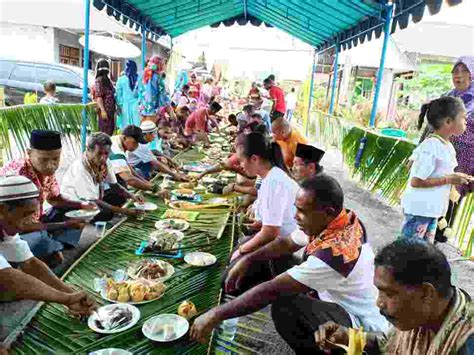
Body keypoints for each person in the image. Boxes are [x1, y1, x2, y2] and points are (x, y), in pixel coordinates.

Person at [190, 174, 388, 352]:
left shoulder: (335, 254)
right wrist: (248, 259)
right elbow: (286, 243)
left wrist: (216, 314)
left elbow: (272, 289)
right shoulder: (336, 219)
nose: (295, 216)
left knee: (286, 305)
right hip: (328, 296)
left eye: (301, 211)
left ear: (327, 212)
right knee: (264, 257)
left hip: (356, 321)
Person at [315, 238, 474, 354]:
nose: (379, 303)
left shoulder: (466, 342)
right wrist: (349, 337)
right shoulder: (422, 314)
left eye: (389, 293)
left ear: (426, 293)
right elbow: (387, 343)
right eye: (379, 292)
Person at [0, 175, 96, 315]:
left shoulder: (6, 224)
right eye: (25, 215)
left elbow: (30, 263)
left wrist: (70, 294)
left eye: (32, 214)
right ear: (2, 209)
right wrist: (66, 299)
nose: (29, 221)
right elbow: (7, 277)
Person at [0, 130, 95, 263]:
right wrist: (64, 224)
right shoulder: (17, 177)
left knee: (76, 213)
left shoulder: (45, 170)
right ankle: (48, 247)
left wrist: (81, 205)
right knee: (40, 241)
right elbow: (19, 226)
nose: (51, 165)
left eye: (56, 159)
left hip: (36, 220)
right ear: (29, 153)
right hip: (12, 231)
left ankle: (53, 245)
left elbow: (54, 199)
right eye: (44, 159)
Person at [401, 97, 471, 243]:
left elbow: (439, 173)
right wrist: (449, 179)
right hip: (420, 210)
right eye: (463, 117)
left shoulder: (446, 146)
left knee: (423, 252)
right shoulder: (431, 147)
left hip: (432, 211)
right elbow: (416, 181)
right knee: (409, 251)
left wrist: (455, 177)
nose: (466, 121)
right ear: (448, 122)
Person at [227, 133, 298, 271]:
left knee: (234, 261)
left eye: (241, 161)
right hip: (280, 240)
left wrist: (241, 250)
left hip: (286, 247)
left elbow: (270, 232)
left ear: (254, 159)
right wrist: (262, 223)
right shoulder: (270, 176)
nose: (240, 166)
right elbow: (275, 221)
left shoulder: (273, 181)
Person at [61, 132, 143, 222]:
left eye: (106, 153)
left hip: (93, 197)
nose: (103, 158)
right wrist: (125, 211)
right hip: (75, 204)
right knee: (105, 213)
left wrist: (132, 196)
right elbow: (94, 200)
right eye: (99, 153)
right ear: (88, 150)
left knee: (118, 197)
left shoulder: (105, 162)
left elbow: (114, 185)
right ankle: (83, 221)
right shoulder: (80, 168)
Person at [109, 125, 160, 193]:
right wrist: (155, 189)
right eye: (135, 143)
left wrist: (147, 183)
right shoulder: (117, 151)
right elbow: (129, 179)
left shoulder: (118, 140)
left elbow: (129, 168)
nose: (137, 146)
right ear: (125, 138)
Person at [138, 56, 168, 122]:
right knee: (151, 130)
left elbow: (137, 91)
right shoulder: (158, 77)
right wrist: (164, 105)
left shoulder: (142, 76)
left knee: (142, 130)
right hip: (153, 109)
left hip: (142, 109)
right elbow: (162, 94)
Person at [93, 58, 116, 136]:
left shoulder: (108, 80)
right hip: (105, 111)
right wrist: (103, 110)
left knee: (109, 132)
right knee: (104, 133)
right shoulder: (99, 80)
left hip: (110, 112)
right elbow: (99, 97)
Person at [115, 59, 140, 129]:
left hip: (125, 107)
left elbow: (118, 95)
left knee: (126, 129)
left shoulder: (121, 80)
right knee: (137, 127)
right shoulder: (139, 79)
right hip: (137, 107)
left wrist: (119, 105)